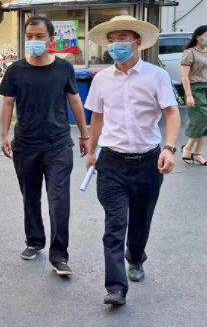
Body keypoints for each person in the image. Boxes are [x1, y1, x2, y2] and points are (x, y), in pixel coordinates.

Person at [85, 15, 180, 306]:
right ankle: (116, 287)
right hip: (112, 162)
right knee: (114, 224)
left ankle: (136, 257)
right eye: (112, 40)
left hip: (148, 162)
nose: (117, 44)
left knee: (141, 218)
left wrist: (169, 148)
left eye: (123, 38)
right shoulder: (101, 79)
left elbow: (171, 113)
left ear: (137, 43)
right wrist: (91, 150)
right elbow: (97, 116)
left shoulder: (156, 76)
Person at [0, 17, 90, 277]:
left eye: (39, 36)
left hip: (58, 143)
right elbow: (7, 103)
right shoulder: (16, 70)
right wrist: (4, 135)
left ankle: (59, 255)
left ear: (51, 39)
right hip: (25, 144)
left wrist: (85, 135)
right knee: (30, 196)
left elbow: (75, 101)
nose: (33, 41)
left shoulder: (63, 68)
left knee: (58, 200)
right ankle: (34, 240)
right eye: (29, 36)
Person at [180, 25, 207, 166]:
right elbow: (184, 76)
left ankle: (196, 153)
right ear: (198, 37)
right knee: (201, 119)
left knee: (205, 122)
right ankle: (188, 148)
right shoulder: (190, 52)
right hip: (195, 89)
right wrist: (189, 95)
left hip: (206, 88)